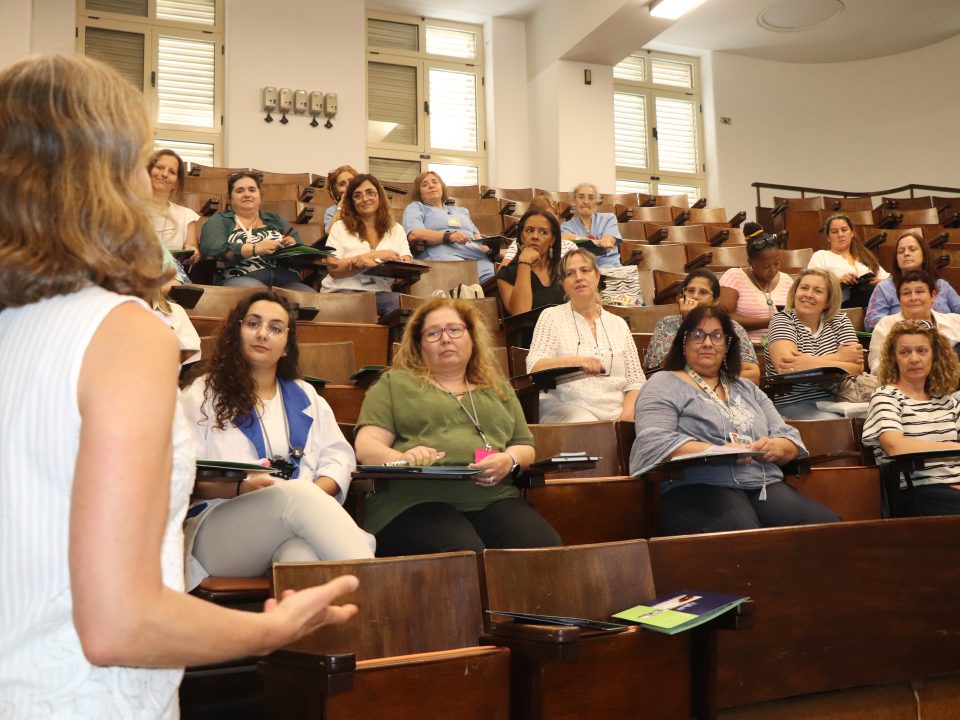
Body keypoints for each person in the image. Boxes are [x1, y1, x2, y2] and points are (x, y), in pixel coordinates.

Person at [0, 54, 357, 719]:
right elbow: (119, 625)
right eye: (142, 161)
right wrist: (273, 631)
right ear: (107, 170)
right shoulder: (124, 331)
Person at [180, 291, 374, 588]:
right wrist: (240, 487)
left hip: (292, 520)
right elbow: (184, 474)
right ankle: (382, 594)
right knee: (297, 497)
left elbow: (338, 457)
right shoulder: (202, 394)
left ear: (286, 345)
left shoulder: (306, 396)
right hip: (216, 530)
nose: (262, 334)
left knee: (300, 555)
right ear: (236, 332)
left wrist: (314, 495)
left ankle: (333, 620)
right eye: (253, 324)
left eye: (275, 328)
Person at [354, 297, 562, 556]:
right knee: (463, 552)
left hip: (493, 499)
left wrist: (509, 460)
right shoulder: (394, 384)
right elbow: (367, 446)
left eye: (454, 329)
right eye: (433, 333)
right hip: (413, 501)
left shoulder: (498, 388)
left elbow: (524, 446)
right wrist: (403, 459)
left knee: (544, 546)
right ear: (419, 344)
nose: (445, 339)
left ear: (472, 337)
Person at [630, 305, 838, 535]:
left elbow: (787, 436)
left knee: (827, 526)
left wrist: (777, 446)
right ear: (683, 342)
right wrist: (715, 451)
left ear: (727, 345)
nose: (707, 343)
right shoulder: (663, 383)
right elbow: (653, 440)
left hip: (762, 485)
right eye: (698, 335)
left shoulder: (747, 388)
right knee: (744, 533)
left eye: (717, 336)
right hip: (697, 486)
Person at [526, 249, 645, 422]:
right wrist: (576, 361)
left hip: (617, 412)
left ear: (597, 276)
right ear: (563, 283)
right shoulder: (551, 316)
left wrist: (626, 416)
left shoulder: (618, 324)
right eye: (570, 273)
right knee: (587, 425)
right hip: (568, 409)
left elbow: (635, 381)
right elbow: (534, 367)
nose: (579, 277)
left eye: (585, 270)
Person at [862, 319, 960, 516]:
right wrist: (954, 447)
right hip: (915, 491)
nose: (914, 359)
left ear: (934, 355)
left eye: (922, 351)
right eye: (905, 352)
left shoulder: (946, 400)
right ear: (894, 358)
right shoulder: (886, 397)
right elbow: (895, 446)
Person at [766, 268, 864, 419]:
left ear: (828, 300)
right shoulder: (782, 320)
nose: (808, 294)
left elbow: (857, 367)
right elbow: (787, 367)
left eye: (818, 291)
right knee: (835, 423)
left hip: (839, 399)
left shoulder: (840, 320)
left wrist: (807, 362)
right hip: (792, 402)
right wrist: (839, 357)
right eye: (804, 288)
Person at [200, 171, 314, 291]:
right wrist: (253, 249)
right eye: (239, 191)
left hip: (286, 279)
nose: (247, 194)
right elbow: (210, 247)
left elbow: (302, 254)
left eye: (252, 190)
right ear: (230, 198)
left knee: (310, 297)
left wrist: (292, 247)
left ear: (260, 195)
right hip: (241, 277)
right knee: (258, 292)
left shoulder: (276, 220)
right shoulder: (221, 220)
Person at [643, 268, 761, 384]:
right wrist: (689, 321)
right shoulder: (666, 324)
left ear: (715, 301)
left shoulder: (732, 327)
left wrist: (711, 379)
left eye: (703, 292)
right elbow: (660, 373)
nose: (695, 296)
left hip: (723, 392)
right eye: (690, 290)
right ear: (682, 295)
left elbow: (753, 375)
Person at [320, 173, 412, 316]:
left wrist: (378, 261)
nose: (364, 199)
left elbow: (406, 263)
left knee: (406, 308)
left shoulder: (396, 229)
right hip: (342, 290)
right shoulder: (339, 227)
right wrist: (367, 259)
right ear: (351, 202)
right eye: (357, 196)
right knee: (359, 308)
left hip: (380, 293)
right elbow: (333, 268)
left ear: (379, 196)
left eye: (370, 193)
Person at [402, 170, 495, 282]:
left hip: (475, 254)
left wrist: (493, 249)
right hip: (443, 253)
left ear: (441, 187)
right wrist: (448, 236)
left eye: (435, 182)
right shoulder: (416, 207)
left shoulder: (461, 211)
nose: (431, 186)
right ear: (419, 192)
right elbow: (414, 233)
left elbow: (476, 237)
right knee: (464, 277)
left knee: (495, 278)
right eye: (424, 185)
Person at [864, 230, 960, 330]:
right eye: (901, 251)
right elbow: (871, 321)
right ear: (896, 259)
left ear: (924, 254)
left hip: (944, 336)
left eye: (912, 249)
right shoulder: (885, 287)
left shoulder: (941, 285)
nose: (906, 254)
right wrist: (910, 325)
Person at [868, 270, 960, 373]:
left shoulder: (956, 321)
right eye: (906, 293)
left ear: (933, 296)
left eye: (919, 292)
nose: (913, 298)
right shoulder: (885, 325)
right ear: (899, 299)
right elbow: (876, 368)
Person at [718, 222, 794, 343]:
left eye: (776, 263)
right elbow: (723, 317)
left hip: (782, 346)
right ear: (750, 263)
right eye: (765, 266)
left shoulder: (787, 281)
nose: (773, 270)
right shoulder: (734, 277)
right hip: (745, 348)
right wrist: (769, 322)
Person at [807, 213, 888, 307]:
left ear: (852, 233)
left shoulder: (864, 256)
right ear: (828, 238)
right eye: (834, 232)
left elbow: (887, 279)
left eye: (844, 230)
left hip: (872, 300)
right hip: (839, 304)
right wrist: (837, 281)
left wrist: (881, 283)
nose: (840, 235)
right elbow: (810, 284)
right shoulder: (821, 256)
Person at [497, 209, 566, 317]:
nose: (535, 236)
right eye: (529, 230)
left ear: (552, 240)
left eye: (543, 232)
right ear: (521, 237)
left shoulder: (564, 269)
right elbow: (521, 314)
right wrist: (524, 262)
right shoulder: (506, 274)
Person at [148, 148, 201, 262]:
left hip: (171, 270)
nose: (164, 174)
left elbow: (192, 250)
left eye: (172, 172)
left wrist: (192, 252)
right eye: (160, 167)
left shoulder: (187, 215)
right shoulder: (128, 209)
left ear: (176, 182)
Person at [559, 182, 623, 269]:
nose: (586, 202)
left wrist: (583, 241)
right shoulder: (566, 227)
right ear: (574, 200)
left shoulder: (609, 218)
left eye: (591, 198)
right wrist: (596, 242)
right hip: (583, 272)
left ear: (596, 201)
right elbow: (564, 238)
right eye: (581, 197)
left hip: (611, 269)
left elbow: (608, 241)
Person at [323, 164, 359, 233]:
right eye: (342, 184)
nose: (348, 186)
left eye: (351, 182)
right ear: (336, 191)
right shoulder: (332, 211)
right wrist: (340, 208)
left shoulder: (365, 206)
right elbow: (330, 233)